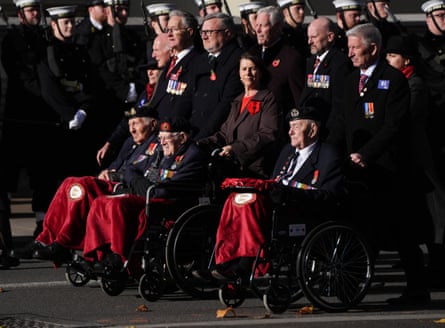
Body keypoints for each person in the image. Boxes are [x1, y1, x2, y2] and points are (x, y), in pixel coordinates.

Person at [327, 23, 430, 306]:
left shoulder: (393, 80)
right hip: (356, 170)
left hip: (388, 169)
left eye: (354, 48)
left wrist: (367, 154)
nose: (349, 54)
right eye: (348, 48)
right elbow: (341, 122)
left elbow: (393, 126)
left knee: (401, 232)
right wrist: (325, 151)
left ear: (373, 48)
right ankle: (350, 285)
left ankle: (418, 290)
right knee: (363, 228)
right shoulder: (350, 81)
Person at [209, 98, 345, 281]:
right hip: (278, 204)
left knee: (252, 203)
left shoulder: (328, 154)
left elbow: (328, 196)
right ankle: (228, 260)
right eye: (290, 126)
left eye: (296, 126)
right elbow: (275, 181)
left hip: (302, 209)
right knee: (236, 199)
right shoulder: (287, 151)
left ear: (313, 130)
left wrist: (288, 193)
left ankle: (246, 264)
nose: (290, 132)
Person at [31, 106, 160, 265]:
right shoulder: (129, 143)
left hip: (124, 189)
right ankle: (45, 238)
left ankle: (64, 243)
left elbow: (142, 175)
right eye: (130, 124)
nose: (132, 129)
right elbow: (115, 165)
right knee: (69, 182)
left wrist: (114, 175)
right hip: (111, 184)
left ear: (153, 124)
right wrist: (104, 173)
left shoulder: (158, 145)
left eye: (136, 124)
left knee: (82, 184)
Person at [80, 117, 208, 272]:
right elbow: (131, 169)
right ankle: (98, 254)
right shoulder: (161, 151)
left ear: (182, 137)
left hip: (170, 202)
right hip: (148, 194)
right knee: (101, 201)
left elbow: (171, 188)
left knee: (117, 204)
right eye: (160, 138)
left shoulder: (193, 155)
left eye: (166, 138)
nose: (162, 142)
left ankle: (119, 256)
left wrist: (145, 188)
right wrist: (139, 183)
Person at [387, 34, 445, 289]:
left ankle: (436, 268)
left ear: (406, 59)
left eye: (393, 56)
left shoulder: (416, 84)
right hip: (407, 158)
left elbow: (408, 119)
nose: (388, 60)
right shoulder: (399, 82)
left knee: (433, 215)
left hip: (419, 159)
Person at [0, 0, 60, 239]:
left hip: (44, 118)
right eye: (30, 10)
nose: (35, 14)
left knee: (42, 175)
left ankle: (41, 223)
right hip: (20, 116)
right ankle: (5, 232)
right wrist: (48, 94)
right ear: (21, 13)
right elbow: (20, 75)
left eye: (37, 9)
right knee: (9, 176)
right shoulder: (12, 39)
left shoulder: (46, 36)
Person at [38, 5, 103, 178]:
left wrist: (84, 110)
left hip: (83, 116)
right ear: (53, 25)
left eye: (72, 22)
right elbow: (49, 89)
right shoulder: (47, 53)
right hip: (60, 120)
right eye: (65, 22)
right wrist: (70, 114)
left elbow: (91, 83)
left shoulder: (79, 50)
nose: (70, 26)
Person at [197, 52, 281, 179]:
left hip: (255, 170)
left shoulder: (267, 99)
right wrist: (200, 143)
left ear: (260, 72)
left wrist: (235, 149)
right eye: (244, 69)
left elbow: (267, 134)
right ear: (239, 73)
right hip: (232, 169)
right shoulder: (238, 100)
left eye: (252, 68)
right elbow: (224, 134)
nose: (248, 73)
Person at [95, 33, 171, 168]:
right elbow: (129, 119)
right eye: (147, 69)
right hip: (134, 144)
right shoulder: (144, 94)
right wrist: (110, 143)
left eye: (155, 68)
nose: (150, 72)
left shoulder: (167, 91)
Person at [88, 0, 146, 150]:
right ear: (107, 10)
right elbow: (100, 70)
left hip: (133, 102)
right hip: (109, 100)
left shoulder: (133, 37)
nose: (124, 14)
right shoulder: (97, 39)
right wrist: (124, 90)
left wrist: (135, 87)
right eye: (119, 9)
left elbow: (141, 65)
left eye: (126, 9)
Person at [417, 0, 445, 278]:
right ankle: (437, 260)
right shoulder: (419, 47)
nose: (444, 20)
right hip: (435, 134)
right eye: (439, 16)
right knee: (436, 201)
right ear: (428, 19)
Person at [186, 12, 244, 139]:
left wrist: (202, 137)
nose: (204, 37)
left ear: (227, 33)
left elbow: (226, 104)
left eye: (209, 32)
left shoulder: (238, 60)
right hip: (193, 131)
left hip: (217, 135)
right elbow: (188, 97)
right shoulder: (199, 61)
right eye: (202, 32)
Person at [249, 5, 305, 126]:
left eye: (263, 26)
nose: (257, 30)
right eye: (256, 25)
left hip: (279, 127)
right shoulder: (251, 54)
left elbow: (298, 100)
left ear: (278, 28)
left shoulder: (290, 58)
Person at [299, 16, 353, 138]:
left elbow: (339, 107)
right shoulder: (310, 62)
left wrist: (330, 137)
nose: (309, 42)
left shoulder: (340, 63)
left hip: (327, 132)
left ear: (330, 37)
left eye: (314, 37)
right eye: (308, 37)